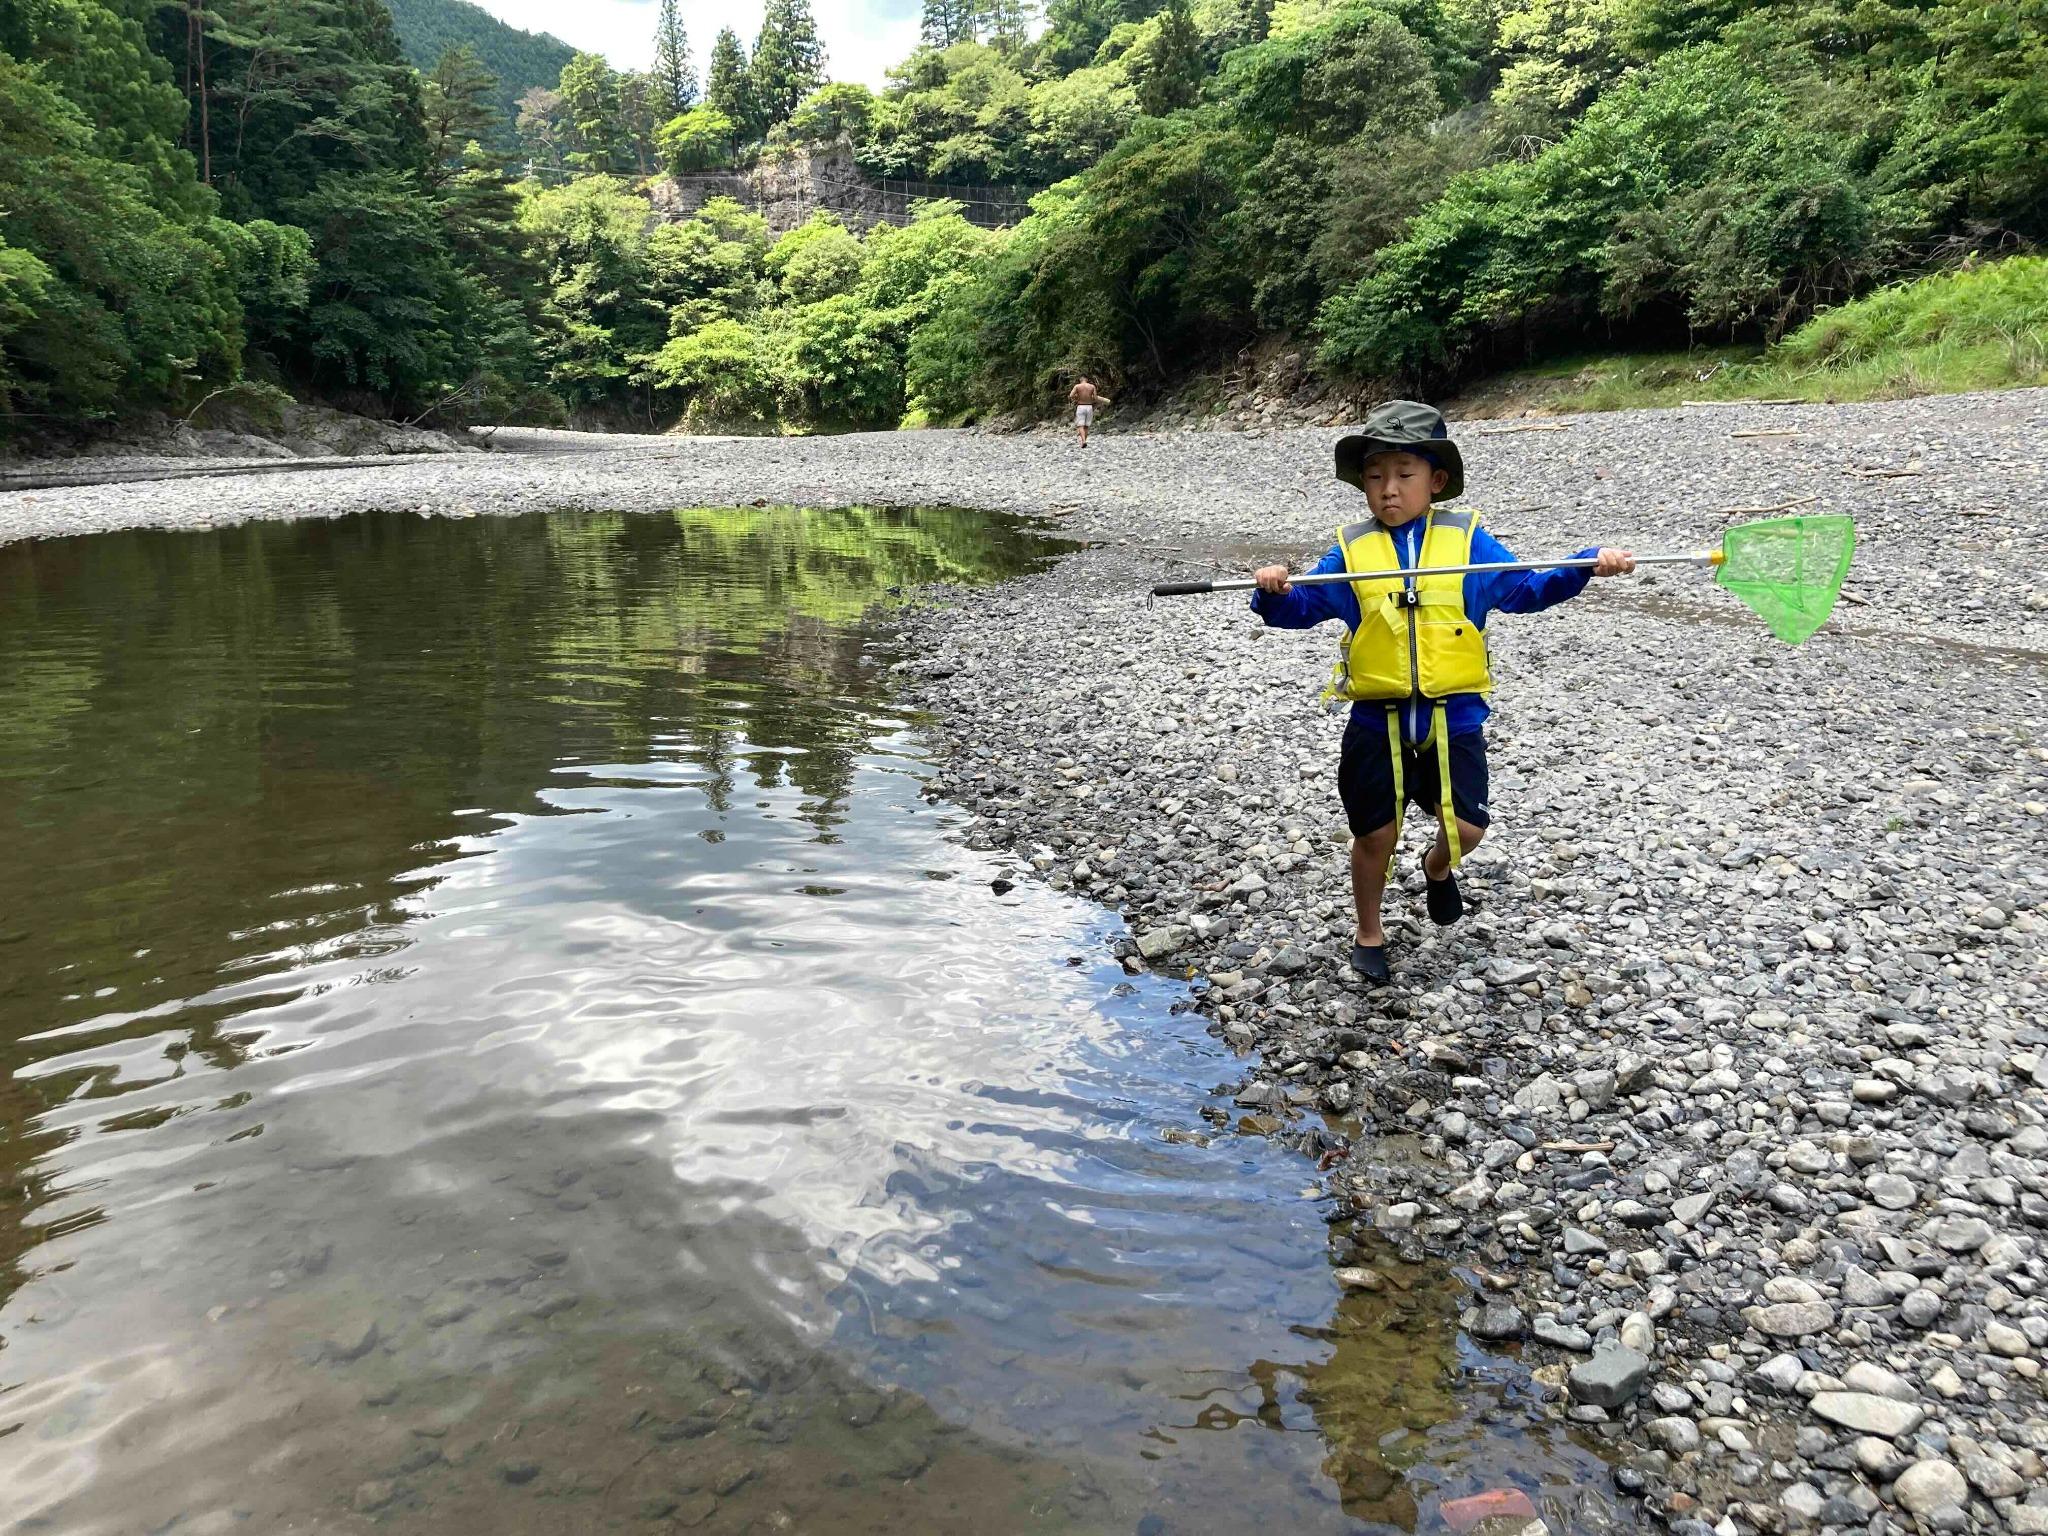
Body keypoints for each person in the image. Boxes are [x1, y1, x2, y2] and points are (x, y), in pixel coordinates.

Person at [1250, 400, 1636, 983]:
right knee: (1374, 833)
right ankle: (1369, 932)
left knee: (1468, 830)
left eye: (1404, 475)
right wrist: (1275, 592)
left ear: (1437, 481)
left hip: (1452, 717)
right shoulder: (1352, 552)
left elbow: (1528, 587)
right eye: (1375, 477)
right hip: (1376, 721)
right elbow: (1301, 606)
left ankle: (1436, 868)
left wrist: (1583, 564)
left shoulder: (1469, 541)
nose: (1388, 490)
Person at [1068, 377, 1109, 445]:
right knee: (1086, 426)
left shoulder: (1077, 386)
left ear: (1080, 379)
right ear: (1087, 379)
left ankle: (1083, 441)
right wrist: (1090, 399)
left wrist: (1077, 398)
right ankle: (1084, 441)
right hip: (1089, 407)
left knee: (1080, 425)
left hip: (1081, 406)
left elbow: (1071, 395)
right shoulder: (1092, 386)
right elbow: (1095, 398)